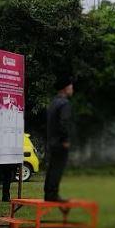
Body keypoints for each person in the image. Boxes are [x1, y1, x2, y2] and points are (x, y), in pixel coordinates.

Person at [44, 75, 75, 203]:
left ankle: (48, 193)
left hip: (51, 141)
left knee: (51, 168)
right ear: (65, 88)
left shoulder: (53, 103)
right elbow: (64, 123)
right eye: (71, 86)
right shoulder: (64, 103)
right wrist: (65, 140)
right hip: (60, 142)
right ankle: (53, 195)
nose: (72, 89)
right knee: (58, 168)